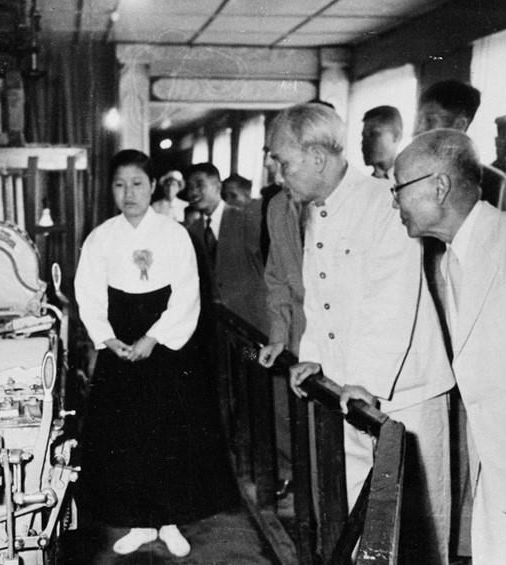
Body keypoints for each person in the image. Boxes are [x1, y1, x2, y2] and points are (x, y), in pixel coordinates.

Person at [258, 103, 455, 563]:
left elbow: (390, 301)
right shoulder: (316, 209)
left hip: (403, 394)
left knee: (417, 535)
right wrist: (312, 358)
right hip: (350, 394)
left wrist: (362, 379)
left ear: (317, 158)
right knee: (362, 527)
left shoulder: (384, 202)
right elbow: (319, 297)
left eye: (285, 162)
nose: (281, 174)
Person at [392, 129, 506, 564]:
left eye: (399, 188)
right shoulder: (448, 261)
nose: (394, 203)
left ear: (439, 187)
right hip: (496, 476)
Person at [74, 150, 232, 557]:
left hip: (165, 346)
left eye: (137, 184)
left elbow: (187, 293)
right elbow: (88, 294)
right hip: (119, 346)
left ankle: (169, 521)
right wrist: (108, 339)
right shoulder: (101, 237)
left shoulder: (174, 234)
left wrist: (154, 337)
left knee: (169, 433)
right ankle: (140, 523)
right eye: (120, 184)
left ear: (152, 186)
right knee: (127, 436)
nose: (129, 193)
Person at [185, 162, 268, 334]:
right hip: (215, 327)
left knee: (251, 352)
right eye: (190, 187)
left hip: (251, 322)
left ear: (217, 185)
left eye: (199, 185)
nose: (193, 192)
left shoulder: (246, 219)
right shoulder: (192, 231)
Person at [414, 79, 506, 213]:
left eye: (430, 120)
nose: (420, 129)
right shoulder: (411, 174)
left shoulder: (494, 184)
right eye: (419, 120)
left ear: (459, 126)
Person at [361, 105, 402, 179]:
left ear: (396, 136)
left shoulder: (412, 177)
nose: (364, 142)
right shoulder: (365, 183)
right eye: (364, 136)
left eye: (373, 134)